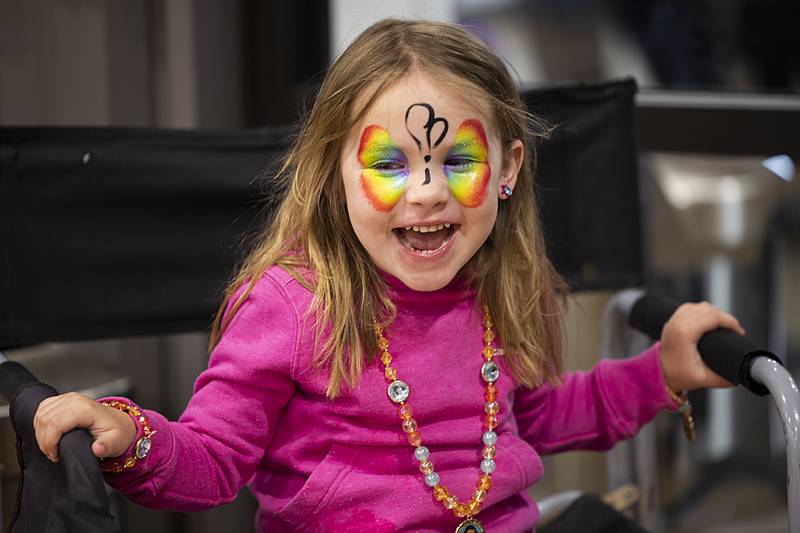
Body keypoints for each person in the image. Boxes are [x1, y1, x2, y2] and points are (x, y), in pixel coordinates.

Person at [32, 18, 743, 532]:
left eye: (456, 161)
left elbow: (540, 416)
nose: (427, 192)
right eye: (390, 164)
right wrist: (131, 437)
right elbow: (212, 458)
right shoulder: (292, 304)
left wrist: (661, 372)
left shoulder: (504, 285)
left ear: (508, 171)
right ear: (334, 171)